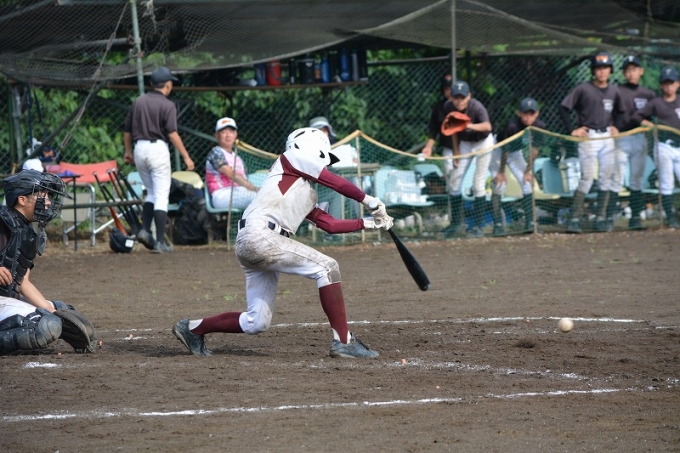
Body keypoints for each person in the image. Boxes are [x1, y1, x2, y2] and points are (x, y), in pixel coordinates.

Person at [172, 127, 393, 358]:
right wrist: (370, 201)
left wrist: (370, 223)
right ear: (313, 149)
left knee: (256, 322)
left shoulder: (303, 189)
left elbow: (330, 224)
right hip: (260, 236)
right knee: (327, 268)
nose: (326, 164)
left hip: (257, 241)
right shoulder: (291, 158)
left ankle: (192, 328)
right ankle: (344, 341)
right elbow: (334, 182)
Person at [0, 170, 96, 355]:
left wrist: (51, 311)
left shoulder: (28, 231)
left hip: (5, 299)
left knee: (61, 311)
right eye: (42, 196)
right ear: (22, 200)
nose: (49, 202)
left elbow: (23, 283)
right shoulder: (2, 220)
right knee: (45, 326)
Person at [123, 66, 195, 253]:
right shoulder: (167, 105)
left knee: (151, 192)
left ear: (151, 84)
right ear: (168, 85)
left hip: (139, 149)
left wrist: (128, 151)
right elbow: (172, 133)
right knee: (161, 195)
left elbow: (127, 130)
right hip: (157, 150)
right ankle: (160, 242)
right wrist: (186, 157)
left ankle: (145, 231)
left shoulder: (139, 101)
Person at [560, 52, 622, 233]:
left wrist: (617, 126)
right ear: (593, 71)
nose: (602, 71)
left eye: (605, 68)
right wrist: (572, 129)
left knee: (606, 177)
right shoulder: (583, 89)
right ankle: (574, 219)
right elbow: (564, 108)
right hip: (588, 136)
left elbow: (621, 111)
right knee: (587, 177)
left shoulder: (614, 90)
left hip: (607, 136)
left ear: (610, 70)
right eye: (598, 68)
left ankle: (601, 218)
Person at [440, 80, 494, 238]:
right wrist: (456, 151)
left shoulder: (476, 107)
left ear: (468, 96)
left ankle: (478, 226)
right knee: (454, 182)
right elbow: (453, 129)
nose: (459, 101)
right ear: (451, 97)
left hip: (483, 142)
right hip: (464, 144)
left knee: (478, 183)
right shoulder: (448, 107)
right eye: (456, 97)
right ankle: (456, 224)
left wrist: (468, 126)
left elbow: (488, 126)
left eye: (462, 97)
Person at [489, 97, 546, 236]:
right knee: (500, 184)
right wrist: (501, 172)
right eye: (525, 113)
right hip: (498, 150)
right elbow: (505, 151)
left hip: (515, 152)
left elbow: (535, 150)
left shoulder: (539, 126)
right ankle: (497, 225)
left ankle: (530, 223)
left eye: (532, 114)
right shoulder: (512, 126)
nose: (528, 117)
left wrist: (528, 171)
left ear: (537, 114)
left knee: (527, 183)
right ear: (519, 113)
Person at [632, 66, 680, 229]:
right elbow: (637, 116)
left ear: (678, 84)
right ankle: (670, 218)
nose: (669, 86)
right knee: (667, 182)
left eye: (672, 83)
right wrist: (647, 123)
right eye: (665, 83)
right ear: (661, 85)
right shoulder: (656, 103)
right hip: (664, 145)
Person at [614, 55, 656, 231]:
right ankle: (608, 218)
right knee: (616, 177)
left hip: (639, 138)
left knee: (636, 178)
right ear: (624, 73)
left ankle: (635, 218)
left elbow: (652, 117)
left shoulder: (648, 94)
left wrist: (649, 123)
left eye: (635, 69)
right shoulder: (617, 90)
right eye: (628, 70)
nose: (631, 73)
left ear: (641, 71)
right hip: (621, 137)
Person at [206, 117, 259, 210]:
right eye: (223, 132)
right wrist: (255, 189)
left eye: (231, 131)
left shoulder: (238, 158)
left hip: (239, 192)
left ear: (235, 135)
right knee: (259, 197)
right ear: (216, 135)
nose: (228, 135)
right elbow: (231, 174)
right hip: (222, 194)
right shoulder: (215, 153)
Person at [422, 75, 455, 175]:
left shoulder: (466, 105)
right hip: (449, 148)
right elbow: (433, 130)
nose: (449, 91)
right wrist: (428, 147)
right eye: (446, 89)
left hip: (467, 147)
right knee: (450, 177)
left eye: (451, 88)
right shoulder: (439, 108)